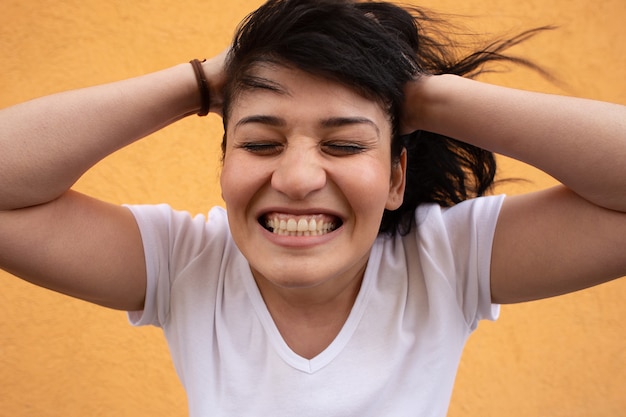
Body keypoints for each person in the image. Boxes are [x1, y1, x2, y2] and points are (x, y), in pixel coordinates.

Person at [1, 0, 624, 415]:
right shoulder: (185, 264)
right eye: (260, 143)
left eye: (347, 144)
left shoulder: (445, 260)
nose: (298, 178)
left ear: (395, 176)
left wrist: (422, 96)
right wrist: (204, 81)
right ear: (224, 166)